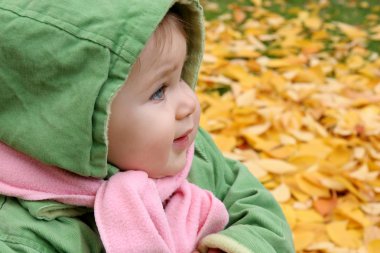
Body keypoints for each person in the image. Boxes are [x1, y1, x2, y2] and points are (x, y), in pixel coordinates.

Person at [0, 0, 295, 252]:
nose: (189, 102)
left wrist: (237, 243)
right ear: (74, 120)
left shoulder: (192, 152)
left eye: (181, 77)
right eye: (159, 91)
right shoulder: (26, 235)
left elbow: (255, 207)